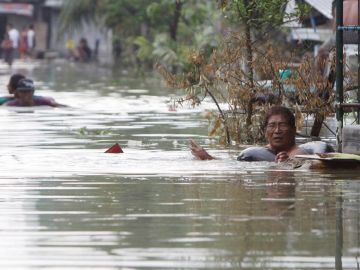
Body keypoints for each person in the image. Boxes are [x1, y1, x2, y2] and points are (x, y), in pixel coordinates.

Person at [190, 106, 332, 163]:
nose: (277, 131)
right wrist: (207, 157)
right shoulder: (257, 153)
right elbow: (233, 164)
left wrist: (289, 163)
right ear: (265, 131)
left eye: (282, 125)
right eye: (272, 126)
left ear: (294, 130)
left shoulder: (299, 152)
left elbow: (305, 165)